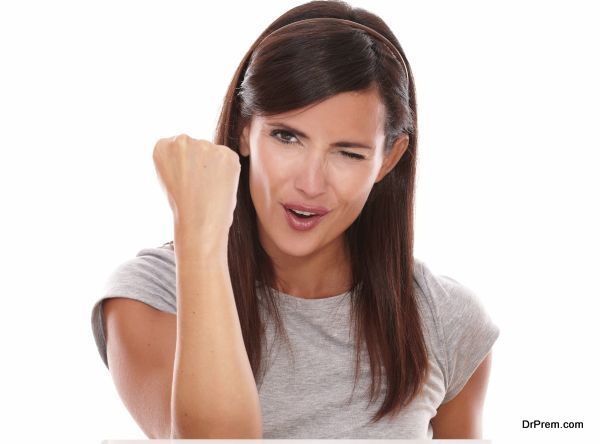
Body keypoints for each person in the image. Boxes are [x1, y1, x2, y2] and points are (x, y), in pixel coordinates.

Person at [90, 0, 500, 439]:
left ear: (388, 159)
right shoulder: (153, 296)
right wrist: (199, 233)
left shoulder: (442, 319)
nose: (310, 183)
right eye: (287, 137)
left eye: (348, 153)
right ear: (245, 129)